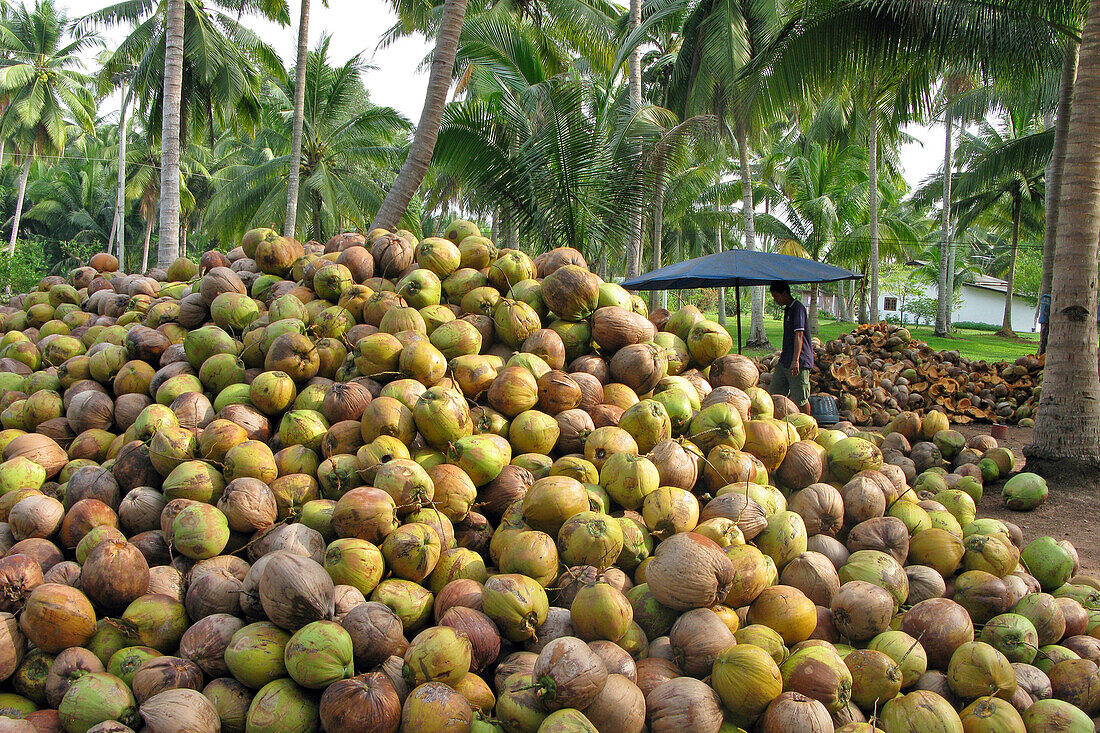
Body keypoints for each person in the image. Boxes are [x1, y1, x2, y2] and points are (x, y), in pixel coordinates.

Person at [768, 280, 813, 415]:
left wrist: (796, 360)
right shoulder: (787, 309)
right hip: (785, 360)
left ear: (784, 293)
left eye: (776, 296)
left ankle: (808, 426)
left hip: (799, 361)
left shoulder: (797, 308)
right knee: (774, 394)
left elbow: (799, 334)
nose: (775, 300)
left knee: (800, 399)